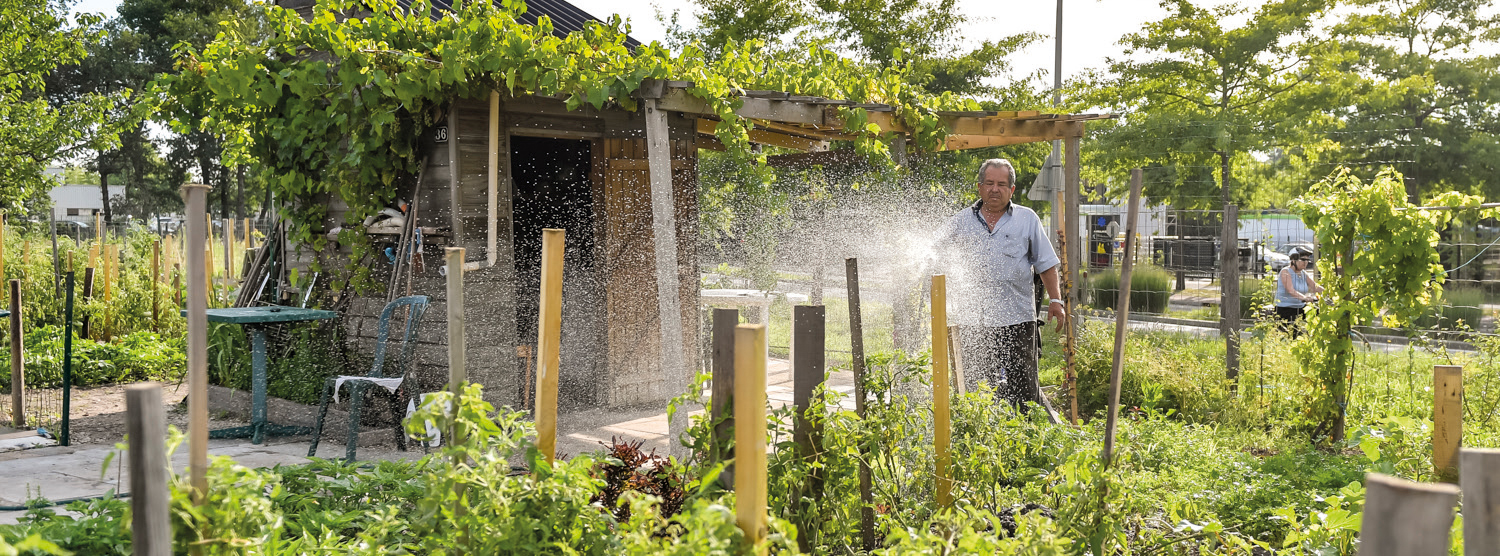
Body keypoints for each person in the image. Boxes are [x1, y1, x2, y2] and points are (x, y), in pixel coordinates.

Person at [934, 158, 1066, 414]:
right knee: (976, 388)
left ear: (1011, 190)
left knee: (1024, 390)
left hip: (1017, 321)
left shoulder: (1027, 219)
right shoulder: (960, 222)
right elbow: (933, 254)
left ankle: (1026, 439)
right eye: (990, 183)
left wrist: (1056, 301)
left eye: (1002, 184)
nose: (995, 189)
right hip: (973, 321)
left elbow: (1046, 264)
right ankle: (982, 440)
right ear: (980, 187)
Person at [1274, 246, 1323, 335]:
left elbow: (1315, 287)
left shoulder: (1303, 273)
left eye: (1307, 260)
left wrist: (1330, 293)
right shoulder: (1285, 272)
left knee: (1317, 315)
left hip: (1300, 308)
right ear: (1293, 260)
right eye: (1303, 260)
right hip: (1286, 309)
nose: (1306, 262)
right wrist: (1305, 298)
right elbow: (1291, 290)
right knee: (1292, 335)